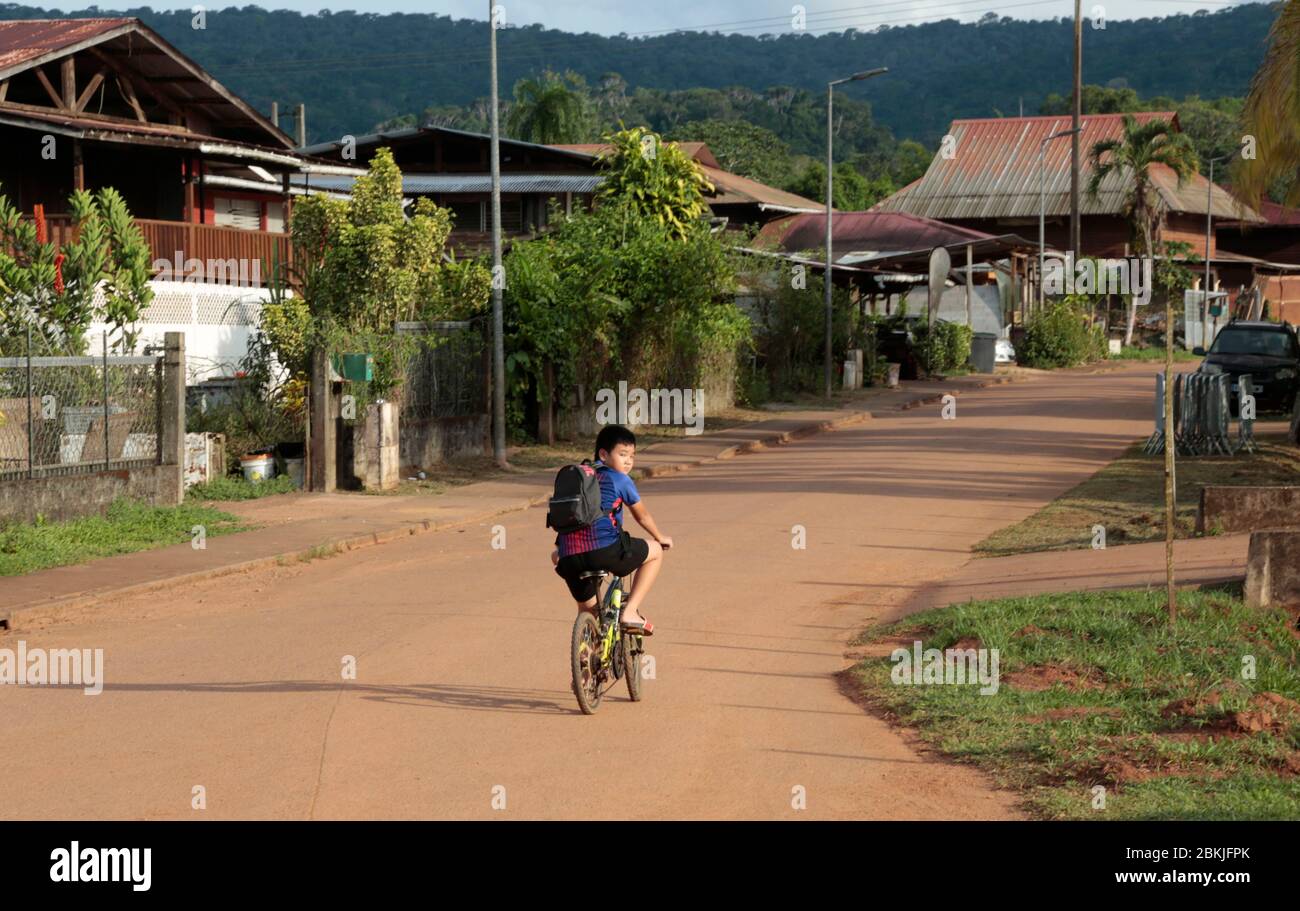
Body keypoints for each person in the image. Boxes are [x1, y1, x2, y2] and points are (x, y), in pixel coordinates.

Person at [551, 424, 672, 634]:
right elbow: (641, 515)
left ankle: (586, 647)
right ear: (604, 454)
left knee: (588, 610)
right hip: (604, 551)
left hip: (567, 557)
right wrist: (660, 537)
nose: (628, 461)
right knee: (656, 552)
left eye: (632, 456)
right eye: (622, 454)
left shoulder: (577, 477)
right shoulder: (620, 479)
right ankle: (630, 612)